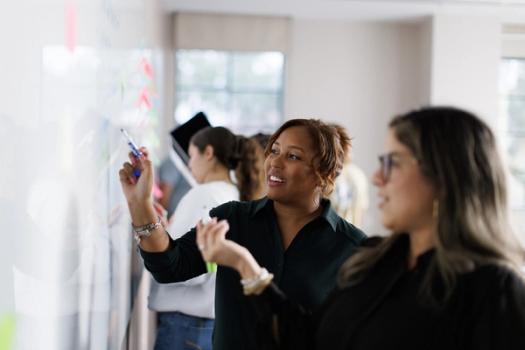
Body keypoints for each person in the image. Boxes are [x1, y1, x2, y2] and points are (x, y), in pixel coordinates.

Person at [197, 107, 525, 350]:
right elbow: (309, 338)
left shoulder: (492, 289)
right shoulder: (376, 258)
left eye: (392, 163)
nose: (377, 178)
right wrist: (244, 265)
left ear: (444, 176)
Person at [118, 119, 367, 350]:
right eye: (274, 151)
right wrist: (141, 204)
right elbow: (169, 266)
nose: (275, 163)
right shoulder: (234, 220)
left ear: (323, 173)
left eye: (292, 156)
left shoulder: (353, 249)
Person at [141, 126, 263, 350]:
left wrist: (153, 235)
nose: (189, 163)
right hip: (203, 325)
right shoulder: (232, 194)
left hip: (187, 325)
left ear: (208, 153)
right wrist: (166, 231)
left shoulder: (204, 194)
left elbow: (188, 268)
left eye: (192, 154)